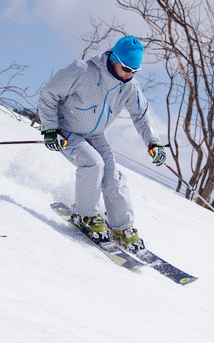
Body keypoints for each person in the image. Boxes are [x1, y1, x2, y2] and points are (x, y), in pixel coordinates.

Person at [38, 35, 166, 252]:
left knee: (112, 176)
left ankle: (121, 228)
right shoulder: (82, 70)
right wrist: (50, 128)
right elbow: (48, 95)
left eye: (135, 70)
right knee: (93, 164)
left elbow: (141, 115)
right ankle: (87, 215)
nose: (129, 74)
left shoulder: (129, 86)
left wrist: (153, 142)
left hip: (96, 135)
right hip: (67, 130)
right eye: (126, 68)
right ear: (114, 59)